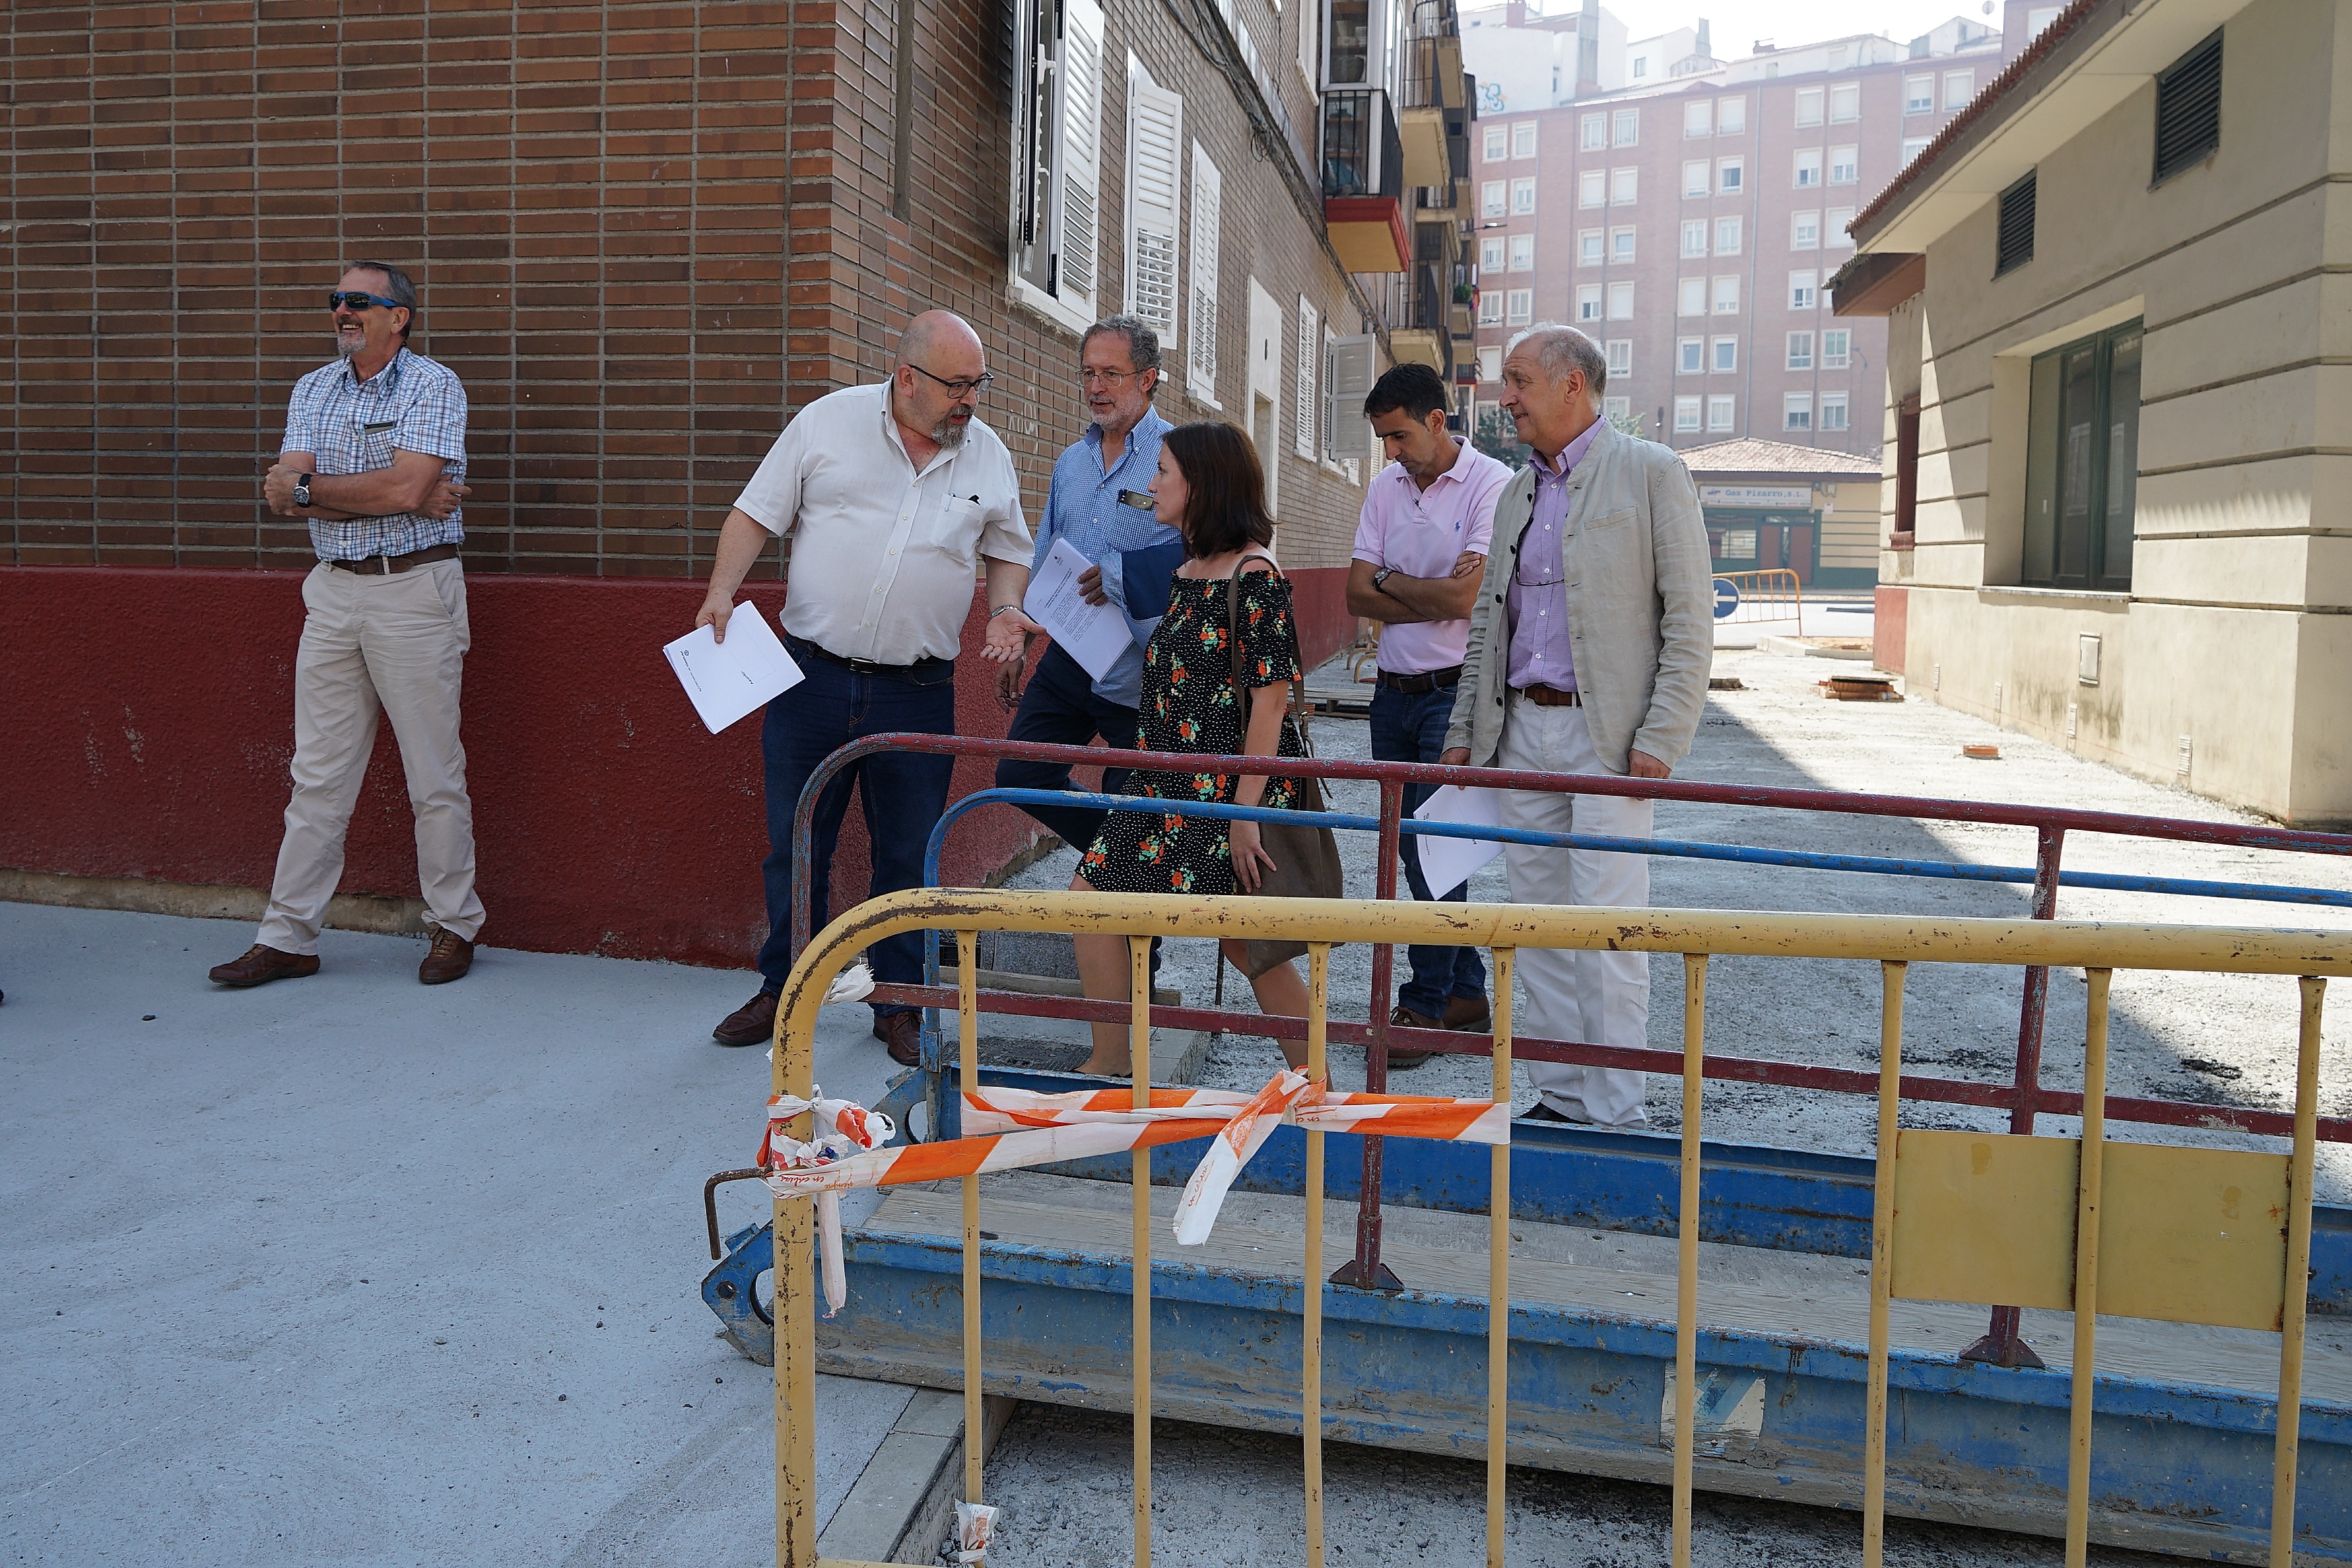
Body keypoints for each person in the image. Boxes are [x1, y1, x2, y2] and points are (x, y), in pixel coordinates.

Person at [692, 311, 1034, 1060]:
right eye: (957, 385)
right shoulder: (827, 423)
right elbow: (755, 513)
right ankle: (784, 987)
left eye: (978, 384)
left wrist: (1005, 608)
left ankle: (899, 1001)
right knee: (796, 845)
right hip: (811, 678)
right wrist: (721, 591)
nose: (970, 400)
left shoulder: (986, 454)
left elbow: (1009, 550)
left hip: (918, 690)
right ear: (907, 377)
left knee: (906, 854)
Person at [1440, 325, 1712, 1126]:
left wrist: (1661, 737)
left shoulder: (1652, 472)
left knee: (1608, 929)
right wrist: (1464, 727)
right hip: (1522, 732)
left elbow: (1689, 618)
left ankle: (1616, 1110)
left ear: (1572, 385)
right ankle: (1561, 1096)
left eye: (1519, 380)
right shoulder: (1516, 492)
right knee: (1537, 928)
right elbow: (1490, 624)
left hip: (1609, 741)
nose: (1506, 398)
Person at [209, 262, 479, 990]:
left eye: (359, 300)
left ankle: (454, 925)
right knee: (317, 776)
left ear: (400, 317)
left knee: (433, 774)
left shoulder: (433, 385)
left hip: (413, 590)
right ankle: (287, 938)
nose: (343, 310)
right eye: (337, 300)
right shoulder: (313, 388)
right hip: (331, 592)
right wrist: (374, 493)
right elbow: (283, 495)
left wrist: (330, 490)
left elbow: (406, 488)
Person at [1067, 423, 1312, 1077]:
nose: (1151, 484)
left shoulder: (1255, 574)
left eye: (1164, 471)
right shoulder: (1186, 571)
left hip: (1228, 792)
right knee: (1090, 900)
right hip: (1163, 784)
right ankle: (1111, 1063)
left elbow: (1270, 704)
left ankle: (1320, 1087)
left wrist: (1243, 813)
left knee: (1247, 943)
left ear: (1201, 485)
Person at [1347, 363, 1511, 1064]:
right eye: (1383, 439)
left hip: (1453, 694)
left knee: (1433, 848)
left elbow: (1467, 601)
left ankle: (1423, 1002)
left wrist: (1394, 584)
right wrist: (1426, 590)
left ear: (1437, 420)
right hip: (1391, 693)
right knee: (1408, 848)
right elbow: (1357, 594)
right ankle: (1466, 992)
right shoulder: (1386, 487)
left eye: (1399, 436)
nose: (1391, 451)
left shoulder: (1491, 484)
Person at [991, 316, 1186, 852]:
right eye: (1088, 373)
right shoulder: (1071, 463)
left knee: (1136, 805)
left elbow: (1202, 554)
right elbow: (1045, 552)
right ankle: (1117, 858)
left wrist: (1123, 574)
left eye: (1111, 374)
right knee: (1020, 774)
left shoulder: (1178, 457)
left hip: (1139, 673)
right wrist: (1021, 634)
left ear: (1147, 378)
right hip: (1071, 655)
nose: (1096, 387)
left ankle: (1125, 883)